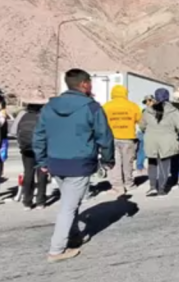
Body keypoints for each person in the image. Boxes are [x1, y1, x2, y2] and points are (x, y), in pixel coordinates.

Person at [33, 69, 115, 263]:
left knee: (71, 202)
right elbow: (104, 136)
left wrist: (42, 161)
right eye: (90, 82)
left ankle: (73, 235)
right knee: (68, 207)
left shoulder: (49, 107)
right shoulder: (92, 107)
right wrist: (108, 159)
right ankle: (56, 250)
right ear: (84, 84)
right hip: (79, 163)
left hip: (55, 162)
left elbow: (39, 135)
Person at [139, 88, 179, 197]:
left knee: (152, 164)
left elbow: (142, 126)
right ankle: (161, 189)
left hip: (151, 140)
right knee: (164, 165)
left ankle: (152, 187)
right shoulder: (174, 110)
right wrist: (174, 133)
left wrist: (148, 131)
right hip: (167, 140)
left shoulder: (147, 111)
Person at [103, 84, 141, 195]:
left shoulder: (106, 106)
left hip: (112, 138)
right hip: (128, 138)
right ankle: (129, 184)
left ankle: (117, 186)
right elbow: (139, 120)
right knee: (128, 162)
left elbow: (101, 121)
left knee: (115, 163)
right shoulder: (132, 106)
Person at [15, 99, 49, 210]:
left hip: (26, 149)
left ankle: (27, 202)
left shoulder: (24, 117)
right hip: (42, 150)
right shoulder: (44, 117)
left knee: (28, 173)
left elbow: (15, 131)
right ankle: (40, 201)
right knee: (42, 174)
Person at [136, 95, 154, 173]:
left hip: (143, 132)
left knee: (142, 150)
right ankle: (141, 167)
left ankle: (140, 166)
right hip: (146, 132)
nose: (148, 102)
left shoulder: (144, 110)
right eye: (146, 101)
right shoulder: (148, 111)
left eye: (149, 101)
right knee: (143, 150)